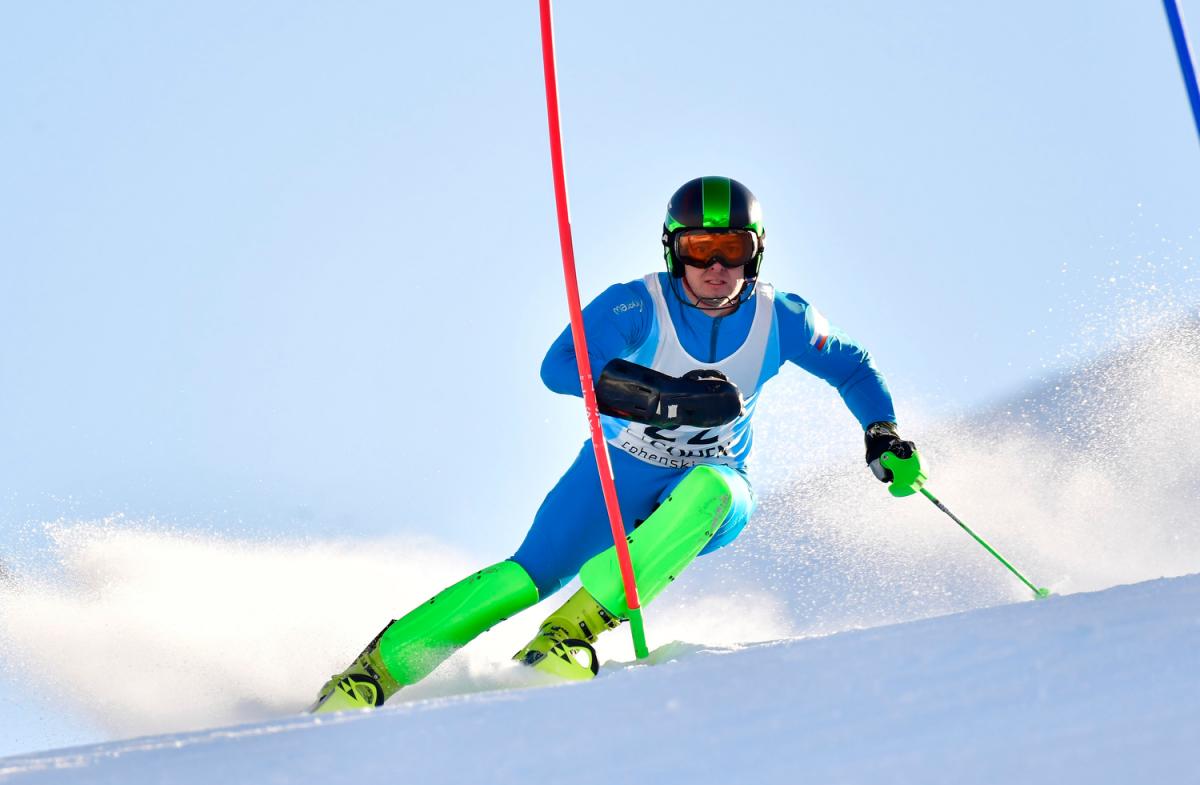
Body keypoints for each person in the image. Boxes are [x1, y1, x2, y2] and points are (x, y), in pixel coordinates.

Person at [310, 176, 921, 713]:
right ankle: (371, 675)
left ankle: (567, 635)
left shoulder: (782, 317)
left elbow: (854, 368)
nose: (715, 266)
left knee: (711, 486)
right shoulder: (637, 302)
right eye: (698, 248)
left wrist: (881, 432)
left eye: (731, 249)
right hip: (616, 473)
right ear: (672, 249)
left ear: (754, 254)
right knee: (525, 577)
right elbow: (559, 367)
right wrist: (666, 398)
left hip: (710, 491)